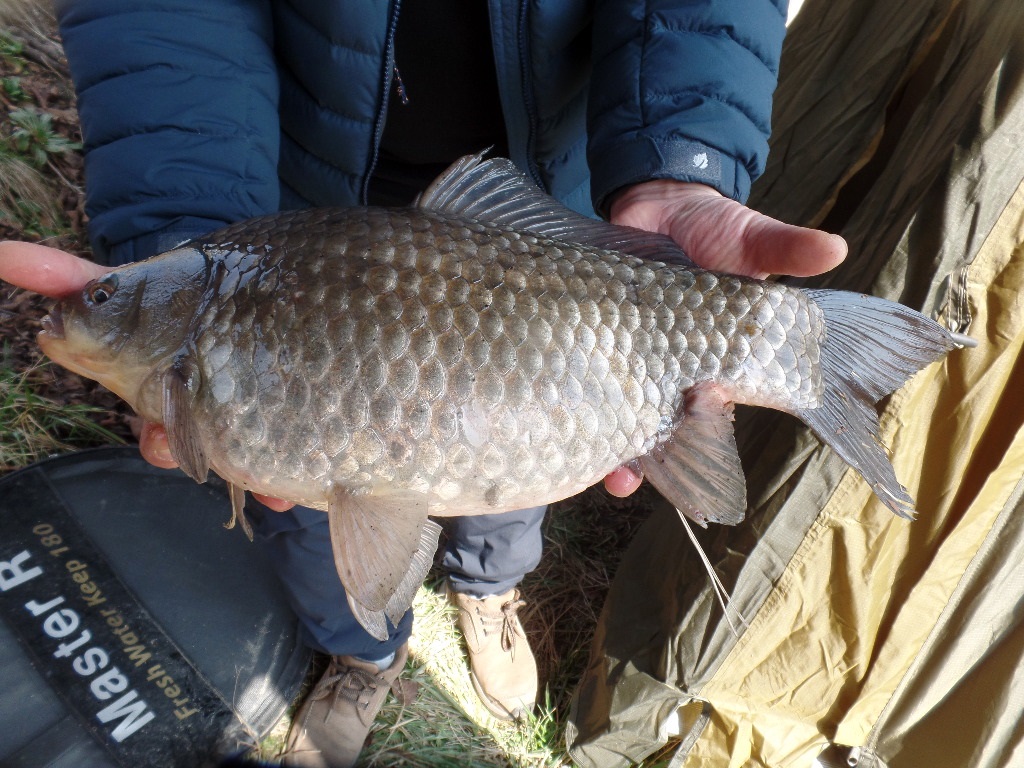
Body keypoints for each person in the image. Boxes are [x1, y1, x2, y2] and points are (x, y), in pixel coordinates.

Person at [1, 1, 846, 766]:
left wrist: (680, 159)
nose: (90, 307)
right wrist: (174, 224)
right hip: (293, 199)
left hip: (560, 219)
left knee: (512, 488)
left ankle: (489, 595)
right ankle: (365, 653)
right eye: (110, 296)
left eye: (107, 298)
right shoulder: (202, 301)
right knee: (300, 514)